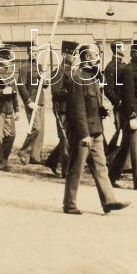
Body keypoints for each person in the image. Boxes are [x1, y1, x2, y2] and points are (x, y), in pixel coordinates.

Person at [63, 44, 131, 215]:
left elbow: (91, 103)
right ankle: (69, 204)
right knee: (76, 169)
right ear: (87, 57)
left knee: (101, 168)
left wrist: (101, 110)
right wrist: (84, 134)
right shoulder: (77, 78)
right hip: (83, 134)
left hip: (96, 131)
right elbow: (77, 110)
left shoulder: (93, 77)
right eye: (95, 55)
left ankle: (109, 201)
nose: (98, 58)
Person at [108, 38, 137, 190]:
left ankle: (111, 176)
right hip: (131, 114)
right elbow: (128, 96)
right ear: (135, 53)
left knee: (126, 147)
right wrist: (132, 115)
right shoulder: (128, 70)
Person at [44, 40, 76, 177]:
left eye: (75, 54)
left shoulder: (74, 71)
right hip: (62, 109)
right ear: (63, 55)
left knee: (70, 138)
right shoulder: (58, 72)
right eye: (72, 54)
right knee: (65, 140)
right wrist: (72, 93)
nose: (75, 57)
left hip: (73, 110)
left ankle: (51, 161)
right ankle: (66, 171)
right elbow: (56, 93)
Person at [17, 44, 48, 165]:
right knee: (36, 128)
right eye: (33, 51)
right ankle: (23, 151)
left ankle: (35, 157)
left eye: (36, 51)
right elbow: (21, 86)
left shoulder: (40, 67)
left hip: (41, 101)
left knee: (41, 130)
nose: (35, 53)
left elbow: (44, 85)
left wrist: (45, 79)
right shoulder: (24, 67)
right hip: (32, 101)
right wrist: (28, 102)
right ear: (28, 52)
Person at [103, 41, 127, 156]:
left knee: (123, 131)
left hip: (126, 103)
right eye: (123, 47)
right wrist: (118, 102)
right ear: (117, 49)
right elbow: (108, 89)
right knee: (120, 131)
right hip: (120, 105)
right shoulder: (111, 67)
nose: (125, 49)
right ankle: (108, 156)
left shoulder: (123, 65)